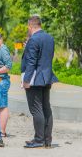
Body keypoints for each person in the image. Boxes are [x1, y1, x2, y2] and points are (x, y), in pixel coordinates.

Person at [21, 15, 58, 149]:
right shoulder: (50, 38)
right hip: (47, 76)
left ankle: (38, 140)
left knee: (36, 109)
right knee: (46, 108)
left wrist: (26, 80)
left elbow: (31, 63)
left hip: (35, 79)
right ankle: (47, 140)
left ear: (30, 26)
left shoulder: (33, 39)